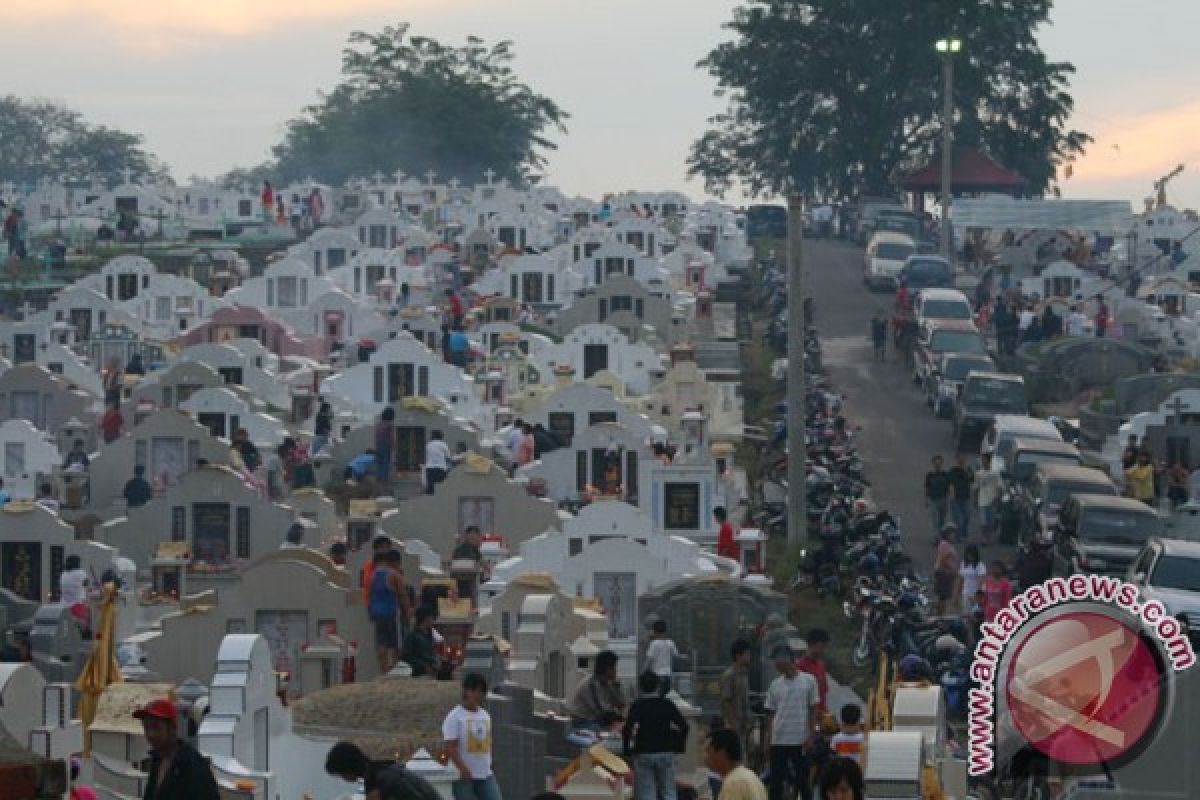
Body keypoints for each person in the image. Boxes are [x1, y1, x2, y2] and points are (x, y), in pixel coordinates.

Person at [134, 698, 220, 800]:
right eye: (146, 728)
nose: (150, 734)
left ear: (172, 728)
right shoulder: (157, 759)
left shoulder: (193, 764)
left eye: (156, 727)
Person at [623, 672, 689, 800]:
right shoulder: (667, 704)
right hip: (666, 751)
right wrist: (680, 747)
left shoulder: (638, 705)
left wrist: (627, 749)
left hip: (644, 752)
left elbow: (628, 728)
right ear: (658, 686)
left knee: (647, 794)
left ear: (640, 687)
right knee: (669, 792)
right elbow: (684, 726)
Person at [764, 647, 819, 800]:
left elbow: (813, 709)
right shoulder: (775, 685)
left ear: (788, 660)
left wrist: (811, 735)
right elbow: (771, 714)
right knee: (776, 782)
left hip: (799, 740)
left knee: (802, 780)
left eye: (778, 660)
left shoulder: (808, 681)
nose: (776, 664)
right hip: (779, 740)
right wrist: (769, 738)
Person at [442, 673, 502, 800]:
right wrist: (463, 769)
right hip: (463, 775)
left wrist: (490, 763)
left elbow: (488, 742)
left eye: (481, 691)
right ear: (466, 691)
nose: (477, 694)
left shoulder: (485, 715)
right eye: (474, 690)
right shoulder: (455, 716)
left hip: (485, 774)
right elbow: (450, 747)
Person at [325, 740, 443, 800]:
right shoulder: (376, 773)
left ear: (348, 767)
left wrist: (382, 792)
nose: (341, 777)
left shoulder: (386, 779)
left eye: (340, 772)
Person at [368, 550, 407, 673]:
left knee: (381, 643)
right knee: (396, 644)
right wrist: (405, 612)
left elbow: (370, 595)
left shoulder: (374, 575)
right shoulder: (394, 575)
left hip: (377, 613)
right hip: (391, 613)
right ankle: (395, 669)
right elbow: (402, 595)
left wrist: (370, 612)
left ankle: (383, 671)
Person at [569, 650, 627, 729]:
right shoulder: (590, 684)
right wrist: (619, 718)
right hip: (582, 722)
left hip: (596, 720)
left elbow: (622, 705)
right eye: (613, 667)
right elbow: (601, 711)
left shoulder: (608, 683)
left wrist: (617, 687)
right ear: (606, 668)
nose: (615, 670)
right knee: (607, 730)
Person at [704, 728, 767, 800]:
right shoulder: (753, 777)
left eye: (707, 751)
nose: (704, 756)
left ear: (721, 753)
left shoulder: (733, 783)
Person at [719, 639, 753, 749]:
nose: (749, 657)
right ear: (738, 656)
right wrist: (733, 724)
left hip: (743, 723)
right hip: (732, 725)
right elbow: (726, 700)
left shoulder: (744, 674)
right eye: (747, 654)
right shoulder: (729, 675)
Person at [645, 619, 681, 697]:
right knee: (666, 698)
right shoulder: (670, 643)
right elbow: (676, 656)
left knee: (657, 698)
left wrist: (644, 673)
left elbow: (649, 661)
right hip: (668, 676)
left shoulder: (654, 644)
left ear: (655, 631)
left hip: (657, 677)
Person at [402, 606, 440, 677]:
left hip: (432, 667)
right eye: (432, 618)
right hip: (419, 671)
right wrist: (424, 666)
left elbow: (431, 653)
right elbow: (406, 656)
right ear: (426, 618)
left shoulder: (429, 634)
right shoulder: (412, 636)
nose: (433, 621)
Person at [60, 555, 92, 633]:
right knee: (81, 628)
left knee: (68, 629)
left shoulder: (63, 574)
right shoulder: (80, 573)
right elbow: (87, 584)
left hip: (63, 605)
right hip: (77, 604)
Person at [932, 527, 960, 616]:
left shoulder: (944, 544)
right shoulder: (945, 545)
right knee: (943, 597)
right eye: (952, 534)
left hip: (943, 572)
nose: (954, 536)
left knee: (942, 597)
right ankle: (940, 615)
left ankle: (939, 613)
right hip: (945, 573)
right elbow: (945, 559)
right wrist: (954, 570)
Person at [975, 452, 1002, 542]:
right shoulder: (979, 474)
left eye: (984, 459)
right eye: (982, 460)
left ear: (989, 461)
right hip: (982, 500)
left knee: (990, 521)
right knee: (983, 521)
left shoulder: (995, 473)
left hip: (992, 500)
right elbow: (976, 487)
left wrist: (997, 497)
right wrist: (974, 499)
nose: (983, 461)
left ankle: (988, 536)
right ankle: (984, 538)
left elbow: (999, 486)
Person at [946, 453, 974, 539]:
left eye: (963, 458)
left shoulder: (968, 469)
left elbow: (972, 479)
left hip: (965, 497)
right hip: (955, 497)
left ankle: (963, 530)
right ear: (957, 460)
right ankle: (958, 536)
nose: (961, 460)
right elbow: (949, 482)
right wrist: (951, 493)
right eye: (959, 459)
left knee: (966, 516)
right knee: (957, 518)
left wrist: (966, 470)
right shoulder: (953, 470)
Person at [424, 429, 457, 495]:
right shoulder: (443, 445)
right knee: (441, 489)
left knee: (431, 490)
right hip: (440, 469)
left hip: (429, 469)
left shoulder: (428, 445)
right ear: (441, 436)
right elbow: (448, 458)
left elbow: (428, 456)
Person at [924, 455, 950, 534]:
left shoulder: (945, 475)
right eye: (936, 463)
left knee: (942, 519)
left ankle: (941, 534)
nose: (937, 465)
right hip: (933, 499)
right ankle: (936, 537)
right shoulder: (930, 475)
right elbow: (927, 487)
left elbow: (949, 487)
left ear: (942, 463)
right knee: (935, 519)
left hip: (943, 499)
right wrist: (926, 499)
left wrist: (948, 499)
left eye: (939, 463)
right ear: (933, 464)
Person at [959, 544, 986, 615]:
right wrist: (957, 593)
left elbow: (981, 581)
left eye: (971, 555)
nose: (970, 556)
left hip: (976, 593)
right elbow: (961, 579)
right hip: (966, 592)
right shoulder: (963, 564)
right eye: (968, 554)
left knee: (975, 614)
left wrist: (977, 595)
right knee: (965, 614)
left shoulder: (980, 565)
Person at [375, 408, 395, 484]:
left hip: (378, 445)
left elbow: (376, 436)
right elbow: (392, 437)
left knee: (379, 464)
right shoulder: (389, 424)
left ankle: (378, 482)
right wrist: (394, 447)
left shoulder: (379, 424)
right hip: (386, 445)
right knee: (385, 464)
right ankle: (384, 482)